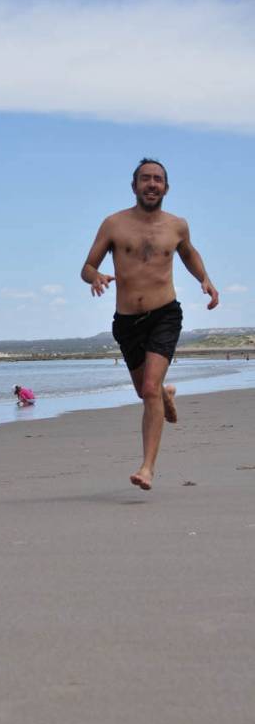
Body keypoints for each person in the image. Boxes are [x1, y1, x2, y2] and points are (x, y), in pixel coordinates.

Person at [81, 158, 219, 491]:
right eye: (146, 179)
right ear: (135, 186)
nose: (152, 184)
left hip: (164, 315)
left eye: (158, 179)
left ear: (166, 187)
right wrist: (95, 276)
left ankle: (147, 468)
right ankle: (165, 394)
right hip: (127, 322)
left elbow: (188, 252)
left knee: (147, 390)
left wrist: (205, 279)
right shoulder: (113, 224)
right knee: (148, 393)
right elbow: (86, 265)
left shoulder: (177, 226)